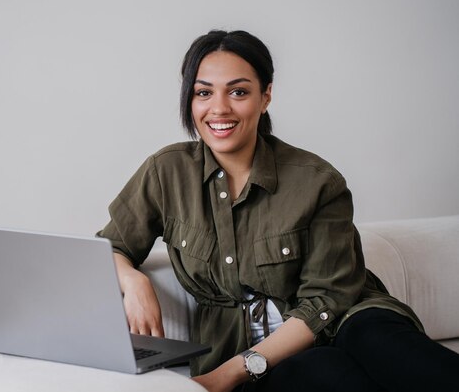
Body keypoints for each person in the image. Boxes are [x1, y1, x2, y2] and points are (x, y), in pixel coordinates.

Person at [97, 30, 459, 392]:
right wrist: (134, 281)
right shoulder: (167, 172)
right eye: (204, 92)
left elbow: (328, 300)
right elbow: (110, 247)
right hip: (272, 355)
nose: (219, 108)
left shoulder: (317, 181)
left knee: (382, 342)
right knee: (322, 371)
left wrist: (228, 374)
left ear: (265, 95)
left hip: (346, 318)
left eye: (238, 92)